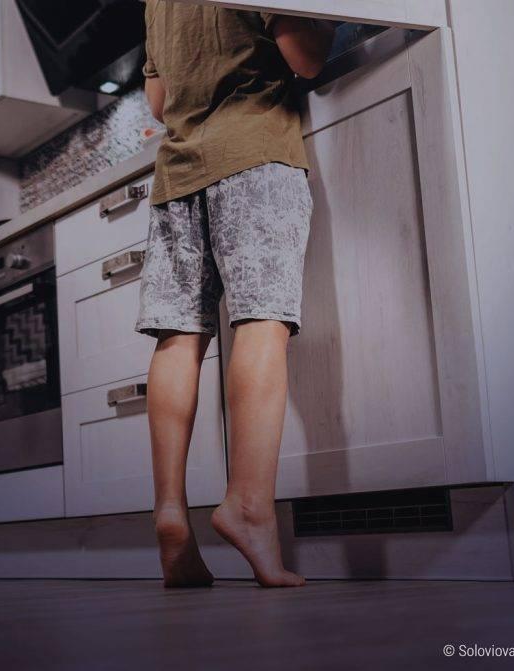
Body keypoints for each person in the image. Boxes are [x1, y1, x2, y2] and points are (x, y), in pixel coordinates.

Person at [133, 0, 335, 588]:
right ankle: (248, 505)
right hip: (255, 153)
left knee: (178, 336)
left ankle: (170, 510)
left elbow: (160, 101)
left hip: (177, 171)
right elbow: (306, 60)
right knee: (262, 321)